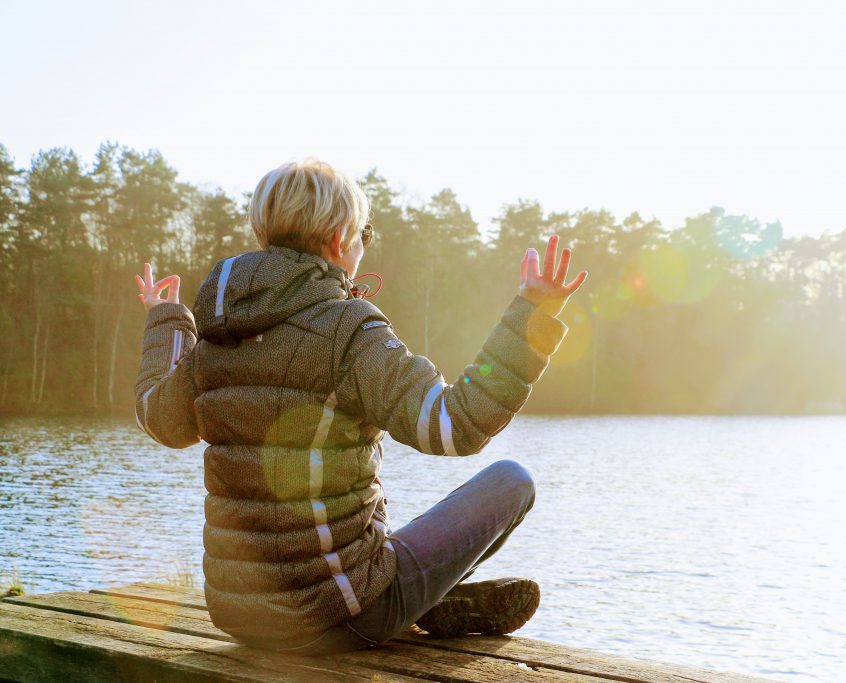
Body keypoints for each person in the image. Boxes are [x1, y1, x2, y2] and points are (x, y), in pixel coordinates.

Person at [132, 158, 587, 656]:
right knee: (512, 482)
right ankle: (414, 604)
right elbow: (454, 423)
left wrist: (167, 323)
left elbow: (161, 419)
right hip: (341, 616)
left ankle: (421, 601)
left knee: (367, 525)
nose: (363, 245)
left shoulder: (216, 336)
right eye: (363, 233)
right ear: (338, 240)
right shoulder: (348, 332)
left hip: (241, 617)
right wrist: (530, 318)